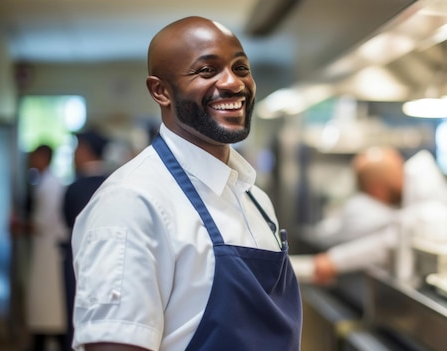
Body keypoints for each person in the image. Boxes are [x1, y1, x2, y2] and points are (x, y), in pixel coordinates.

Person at [71, 16, 302, 351]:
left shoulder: (255, 197)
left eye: (240, 68)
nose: (233, 83)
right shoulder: (132, 202)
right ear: (161, 91)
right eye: (207, 71)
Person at [301, 147, 406, 284]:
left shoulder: (376, 209)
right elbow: (391, 238)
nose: (405, 177)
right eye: (399, 172)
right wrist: (335, 261)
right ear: (377, 188)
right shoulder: (365, 211)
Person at [60, 130, 110, 351]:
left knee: (77, 313)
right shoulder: (114, 181)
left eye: (76, 149)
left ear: (86, 151)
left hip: (78, 258)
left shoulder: (76, 187)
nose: (73, 154)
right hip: (109, 260)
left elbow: (67, 221)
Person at [25, 145, 68, 351]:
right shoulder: (44, 182)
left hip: (49, 252)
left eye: (35, 156)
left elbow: (43, 222)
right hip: (45, 250)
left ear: (43, 157)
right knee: (45, 304)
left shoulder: (50, 185)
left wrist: (19, 226)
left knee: (49, 304)